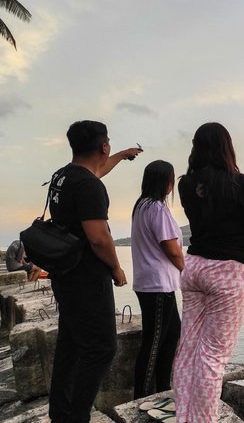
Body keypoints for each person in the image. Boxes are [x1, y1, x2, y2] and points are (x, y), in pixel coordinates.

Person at [172, 122, 244, 422]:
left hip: (195, 266)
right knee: (213, 357)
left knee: (188, 349)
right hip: (228, 271)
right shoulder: (239, 182)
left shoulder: (185, 185)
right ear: (227, 147)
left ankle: (184, 417)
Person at [48, 120, 142, 423]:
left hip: (65, 275)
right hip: (87, 277)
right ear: (103, 146)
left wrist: (123, 155)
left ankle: (60, 414)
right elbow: (99, 237)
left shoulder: (63, 176)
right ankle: (77, 417)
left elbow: (97, 169)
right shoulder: (89, 186)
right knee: (102, 348)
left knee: (71, 343)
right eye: (110, 144)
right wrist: (116, 268)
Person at [131, 160, 184, 399]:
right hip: (157, 284)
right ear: (166, 182)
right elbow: (171, 248)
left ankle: (163, 390)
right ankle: (141, 398)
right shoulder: (157, 209)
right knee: (153, 343)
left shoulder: (141, 205)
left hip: (152, 282)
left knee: (172, 335)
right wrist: (187, 270)